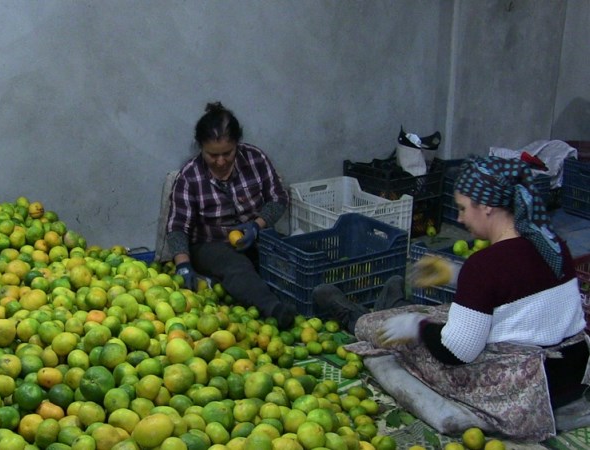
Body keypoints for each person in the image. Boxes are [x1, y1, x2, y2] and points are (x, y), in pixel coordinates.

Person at [324, 155, 589, 440]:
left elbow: (456, 352)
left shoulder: (486, 265)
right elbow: (515, 290)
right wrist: (455, 273)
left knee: (391, 330)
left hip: (525, 388)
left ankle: (353, 315)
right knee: (443, 314)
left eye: (463, 209)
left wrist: (417, 328)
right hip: (570, 373)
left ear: (486, 206)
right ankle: (395, 304)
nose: (460, 219)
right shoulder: (552, 244)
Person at [165, 101, 297, 328]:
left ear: (237, 144)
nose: (220, 161)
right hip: (210, 245)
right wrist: (183, 265)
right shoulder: (189, 177)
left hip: (257, 236)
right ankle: (274, 311)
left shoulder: (255, 160)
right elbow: (177, 227)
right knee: (235, 266)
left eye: (227, 153)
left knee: (289, 261)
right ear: (201, 148)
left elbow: (278, 198)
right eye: (212, 155)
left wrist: (257, 225)